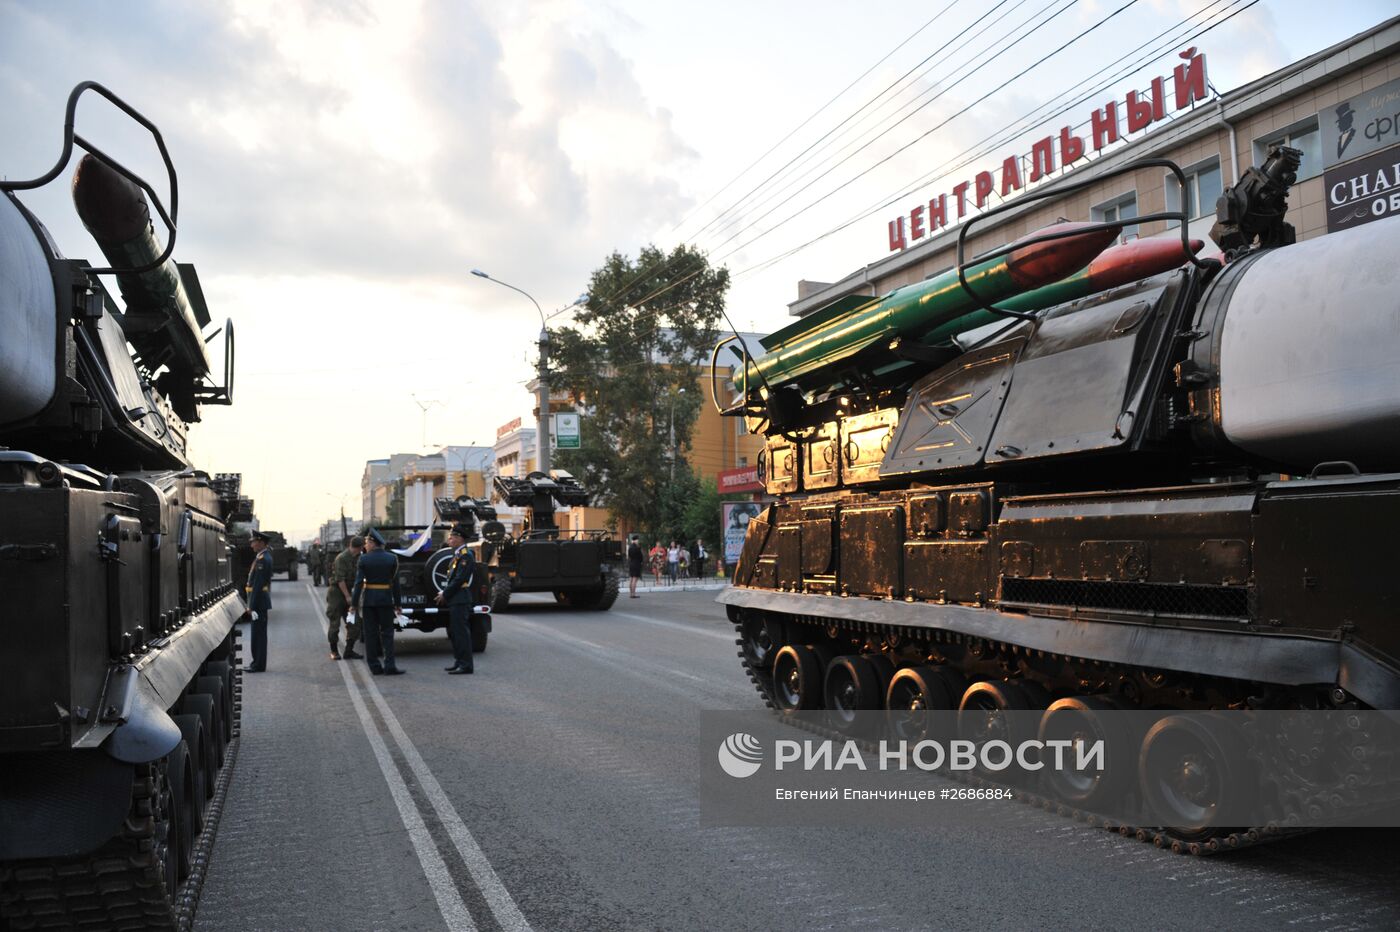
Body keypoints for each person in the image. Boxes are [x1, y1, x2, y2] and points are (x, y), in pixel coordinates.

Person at [352, 528, 404, 675]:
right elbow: (396, 584)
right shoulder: (392, 558)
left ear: (372, 542)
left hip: (369, 601)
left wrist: (353, 605)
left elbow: (358, 584)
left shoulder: (364, 559)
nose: (365, 546)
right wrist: (398, 605)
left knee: (370, 634)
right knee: (387, 633)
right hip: (386, 600)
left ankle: (374, 666)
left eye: (367, 542)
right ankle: (390, 666)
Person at [436, 524, 476, 675]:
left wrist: (445, 594)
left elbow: (459, 579)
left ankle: (466, 665)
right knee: (455, 633)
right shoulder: (458, 554)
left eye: (452, 537)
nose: (449, 539)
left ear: (459, 539)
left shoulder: (466, 555)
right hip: (455, 599)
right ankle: (459, 661)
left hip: (460, 599)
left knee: (461, 634)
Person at [325, 536, 364, 660]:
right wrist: (347, 596)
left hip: (350, 591)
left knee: (355, 622)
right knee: (335, 622)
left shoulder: (359, 558)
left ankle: (349, 651)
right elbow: (340, 579)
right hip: (337, 593)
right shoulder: (341, 558)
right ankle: (334, 651)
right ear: (359, 547)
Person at [245, 531, 274, 672]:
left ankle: (258, 665)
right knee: (257, 634)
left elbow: (257, 584)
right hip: (260, 601)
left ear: (261, 542)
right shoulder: (261, 557)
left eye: (254, 542)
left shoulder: (262, 559)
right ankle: (256, 663)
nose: (251, 545)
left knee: (258, 635)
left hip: (259, 603)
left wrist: (251, 605)